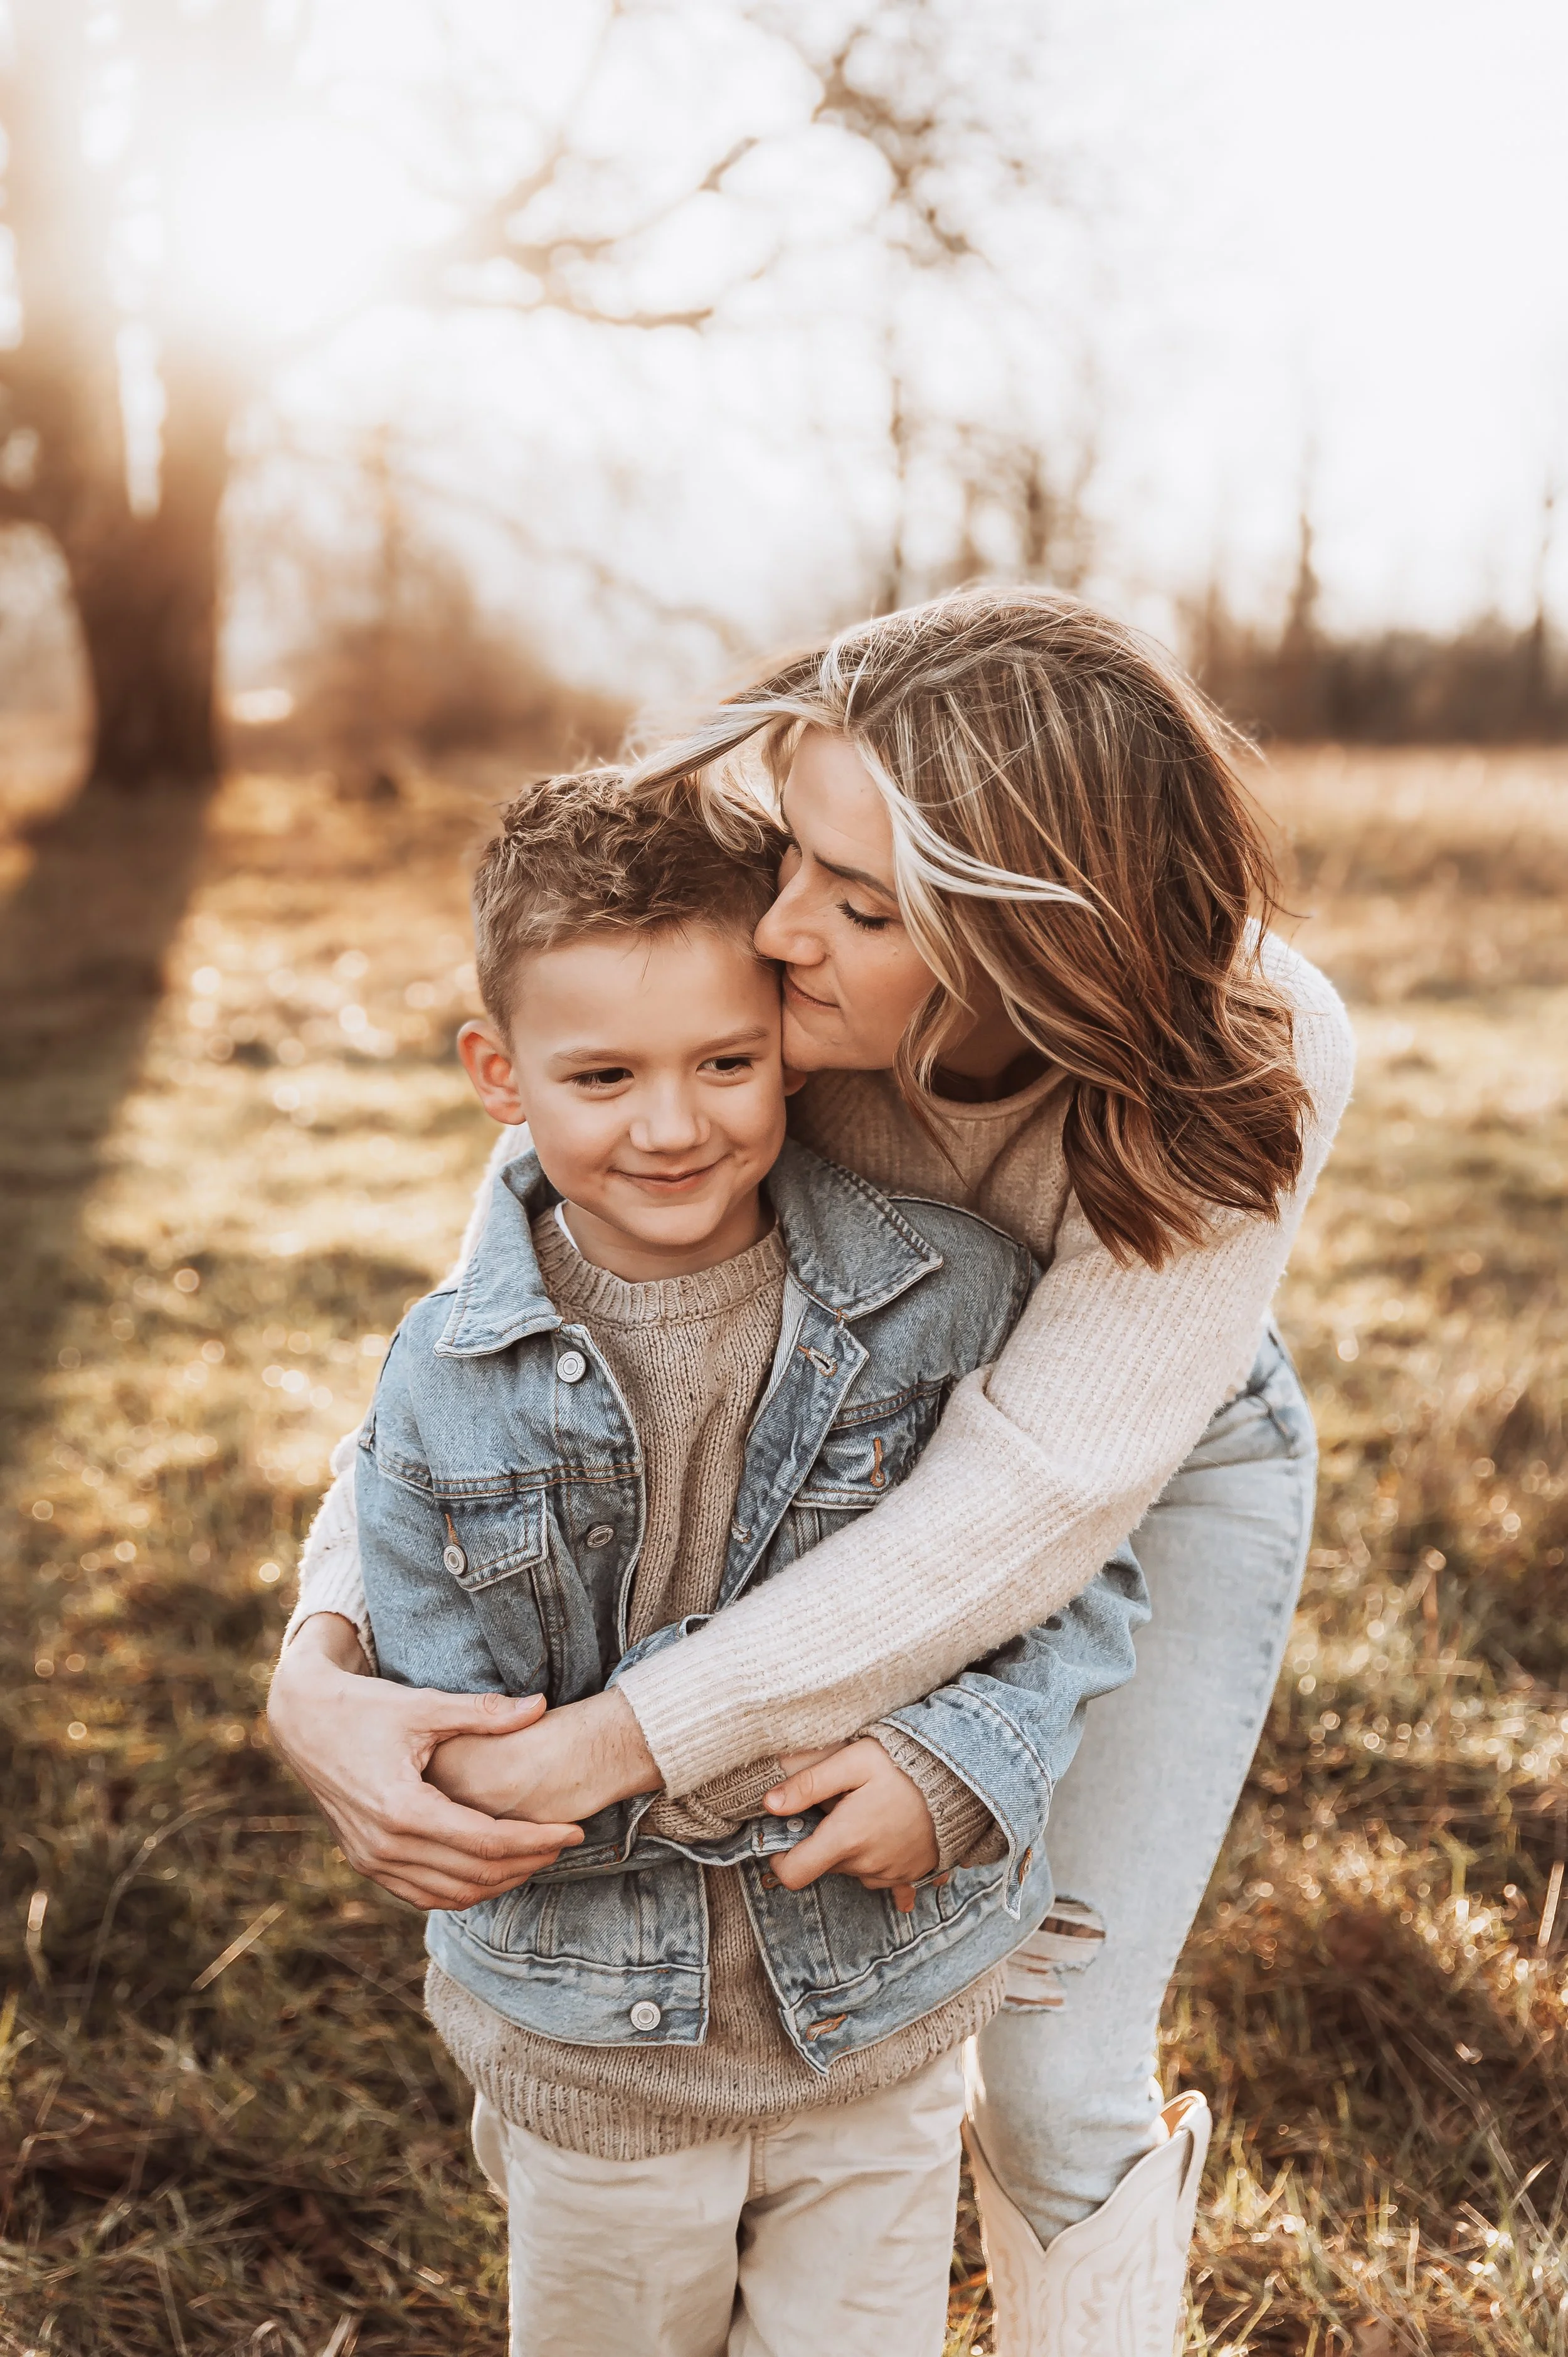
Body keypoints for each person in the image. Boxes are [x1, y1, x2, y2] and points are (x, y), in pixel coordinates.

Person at [269, 588, 1353, 2354]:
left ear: (1032, 930)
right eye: (795, 850)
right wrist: (317, 1666)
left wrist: (659, 1749)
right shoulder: (739, 972)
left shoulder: (1249, 1041)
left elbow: (1033, 1503)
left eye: (859, 903)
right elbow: (490, 1353)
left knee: (1052, 2065)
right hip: (812, 1438)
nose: (780, 929)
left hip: (1134, 1466)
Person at [354, 766, 1147, 2356]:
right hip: (601, 2052)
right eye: (602, 1076)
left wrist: (954, 1764)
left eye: (724, 1062)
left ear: (784, 1042)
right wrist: (450, 1769)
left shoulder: (943, 1296)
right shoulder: (444, 1377)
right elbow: (457, 1740)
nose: (672, 1125)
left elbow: (1066, 1577)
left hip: (880, 2019)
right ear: (498, 1073)